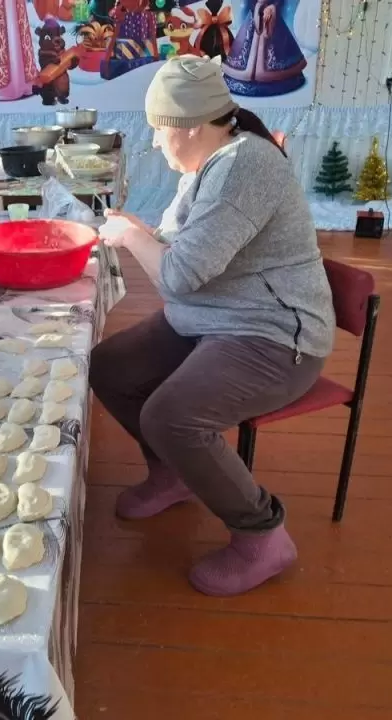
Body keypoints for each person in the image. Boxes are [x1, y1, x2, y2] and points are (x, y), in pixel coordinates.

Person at [90, 56, 334, 596]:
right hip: (215, 317)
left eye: (158, 129)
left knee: (173, 417)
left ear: (189, 126)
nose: (155, 141)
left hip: (276, 335)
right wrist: (143, 231)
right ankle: (174, 475)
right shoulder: (211, 161)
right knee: (111, 367)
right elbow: (186, 247)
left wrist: (132, 239)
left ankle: (263, 536)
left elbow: (180, 275)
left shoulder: (246, 166)